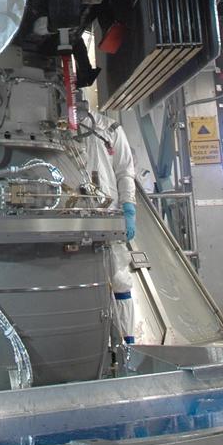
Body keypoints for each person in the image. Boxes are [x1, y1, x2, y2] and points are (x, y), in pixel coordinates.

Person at [80, 104, 138, 345]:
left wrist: (129, 206)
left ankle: (127, 342)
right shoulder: (56, 127)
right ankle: (91, 343)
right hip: (74, 215)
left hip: (108, 212)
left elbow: (125, 171)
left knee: (119, 280)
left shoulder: (109, 127)